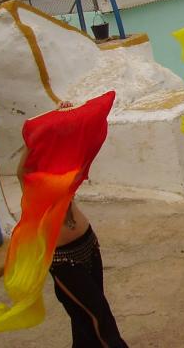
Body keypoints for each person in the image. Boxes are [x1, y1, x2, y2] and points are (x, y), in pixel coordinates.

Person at [16, 101, 128, 348]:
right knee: (100, 317)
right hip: (63, 259)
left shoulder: (66, 172)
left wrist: (61, 114)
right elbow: (22, 167)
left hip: (88, 244)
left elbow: (78, 137)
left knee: (83, 315)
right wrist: (35, 137)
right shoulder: (33, 184)